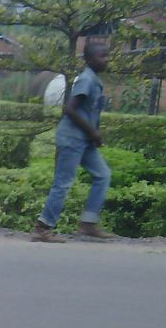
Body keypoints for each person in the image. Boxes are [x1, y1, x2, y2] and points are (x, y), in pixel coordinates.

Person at [31, 41, 115, 242]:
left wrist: (93, 135)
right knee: (63, 183)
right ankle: (42, 228)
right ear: (88, 59)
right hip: (71, 139)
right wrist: (93, 133)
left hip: (84, 140)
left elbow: (89, 112)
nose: (106, 60)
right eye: (101, 56)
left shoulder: (94, 79)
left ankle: (88, 223)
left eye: (107, 56)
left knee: (103, 175)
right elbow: (70, 109)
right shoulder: (86, 79)